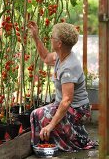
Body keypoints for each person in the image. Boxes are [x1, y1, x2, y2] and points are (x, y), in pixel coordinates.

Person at [28, 21, 96, 152]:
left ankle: (76, 140)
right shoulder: (61, 56)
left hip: (78, 110)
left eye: (52, 37)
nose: (50, 38)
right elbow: (46, 57)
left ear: (59, 44)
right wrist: (35, 36)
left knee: (43, 117)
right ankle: (44, 146)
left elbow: (67, 101)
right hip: (66, 105)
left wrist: (50, 126)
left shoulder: (69, 67)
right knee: (36, 114)